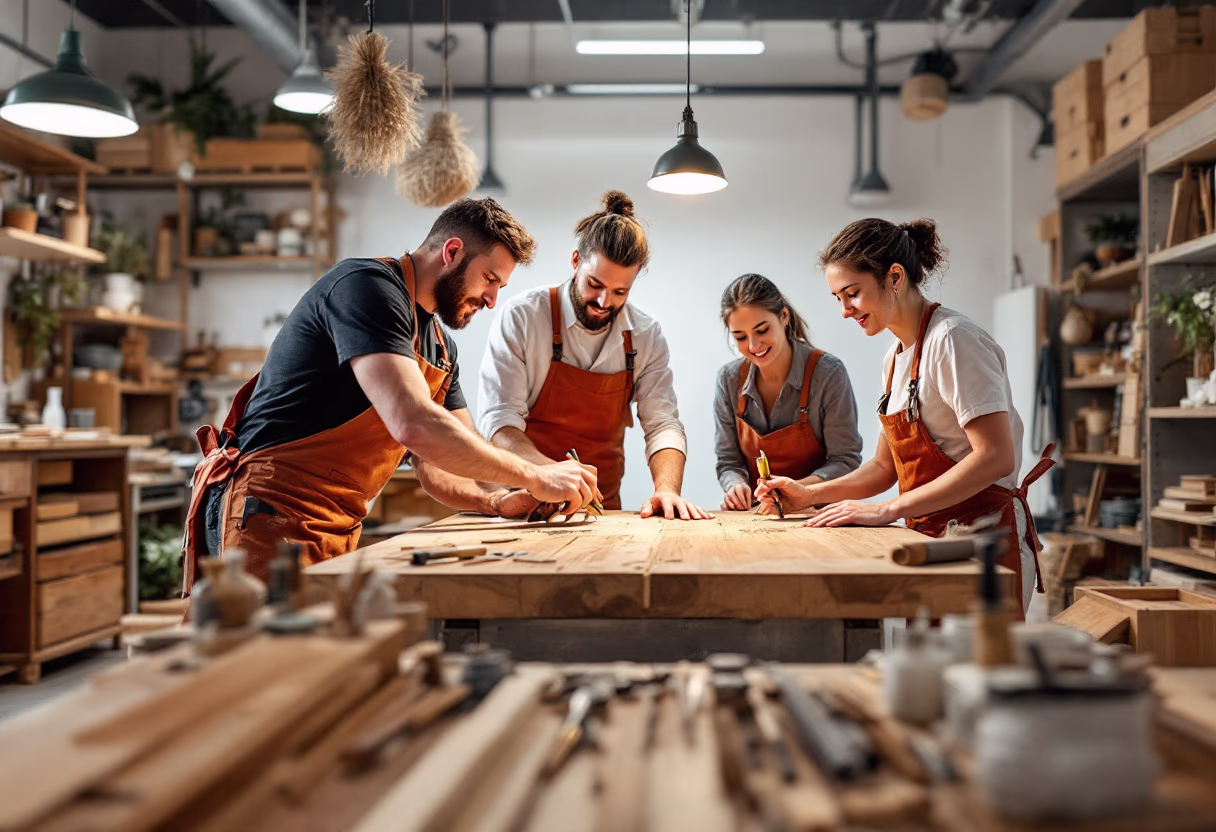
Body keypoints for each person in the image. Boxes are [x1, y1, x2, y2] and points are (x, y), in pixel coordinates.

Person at [182, 198, 598, 588]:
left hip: (337, 523)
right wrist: (536, 475)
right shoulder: (368, 288)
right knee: (256, 658)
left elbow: (441, 466)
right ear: (451, 252)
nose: (492, 301)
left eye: (500, 287)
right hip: (268, 510)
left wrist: (500, 501)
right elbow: (414, 423)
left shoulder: (440, 345)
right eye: (490, 279)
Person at [756, 219, 1053, 613]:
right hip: (929, 538)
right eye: (837, 298)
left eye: (853, 294)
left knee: (980, 668)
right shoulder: (894, 360)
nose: (845, 311)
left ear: (894, 277)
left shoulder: (953, 339)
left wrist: (888, 509)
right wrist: (808, 495)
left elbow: (996, 456)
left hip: (984, 539)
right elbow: (884, 467)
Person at [479, 190, 710, 520]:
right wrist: (549, 475)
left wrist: (666, 490)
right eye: (594, 284)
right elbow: (499, 424)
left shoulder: (644, 335)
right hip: (522, 506)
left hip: (601, 513)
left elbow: (663, 425)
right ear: (576, 261)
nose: (604, 302)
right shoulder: (523, 318)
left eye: (620, 292)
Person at [714, 274, 862, 511]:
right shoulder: (728, 380)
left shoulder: (827, 373)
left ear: (784, 316)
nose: (752, 346)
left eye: (762, 330)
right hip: (760, 514)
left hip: (820, 515)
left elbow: (845, 461)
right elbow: (728, 461)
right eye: (740, 337)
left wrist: (799, 493)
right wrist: (735, 485)